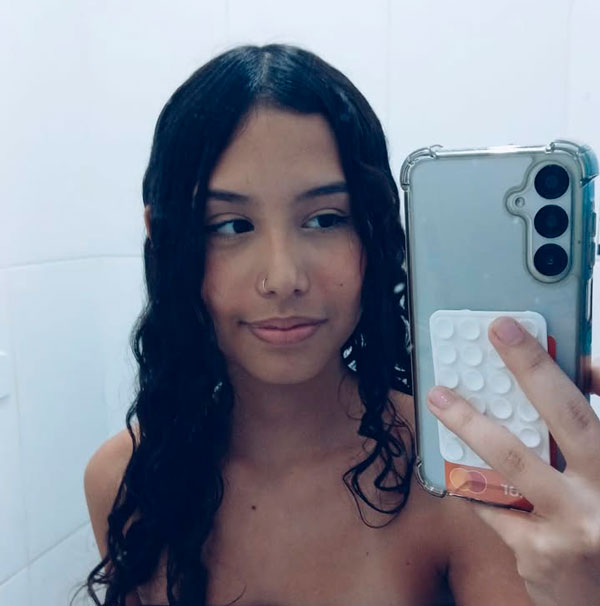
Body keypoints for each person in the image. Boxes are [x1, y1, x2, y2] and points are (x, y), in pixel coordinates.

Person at [76, 44, 600, 606]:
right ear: (164, 240)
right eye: (230, 226)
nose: (283, 278)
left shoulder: (458, 476)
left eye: (326, 219)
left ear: (374, 233)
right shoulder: (125, 479)